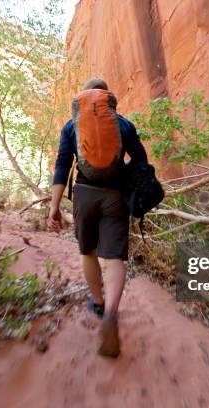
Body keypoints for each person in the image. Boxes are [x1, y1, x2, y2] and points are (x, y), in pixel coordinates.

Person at [47, 77, 148, 358]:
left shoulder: (72, 125)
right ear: (109, 97)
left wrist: (54, 206)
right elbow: (141, 161)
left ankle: (99, 302)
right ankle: (112, 313)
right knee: (115, 259)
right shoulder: (123, 124)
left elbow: (62, 165)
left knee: (88, 252)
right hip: (115, 196)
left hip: (85, 194)